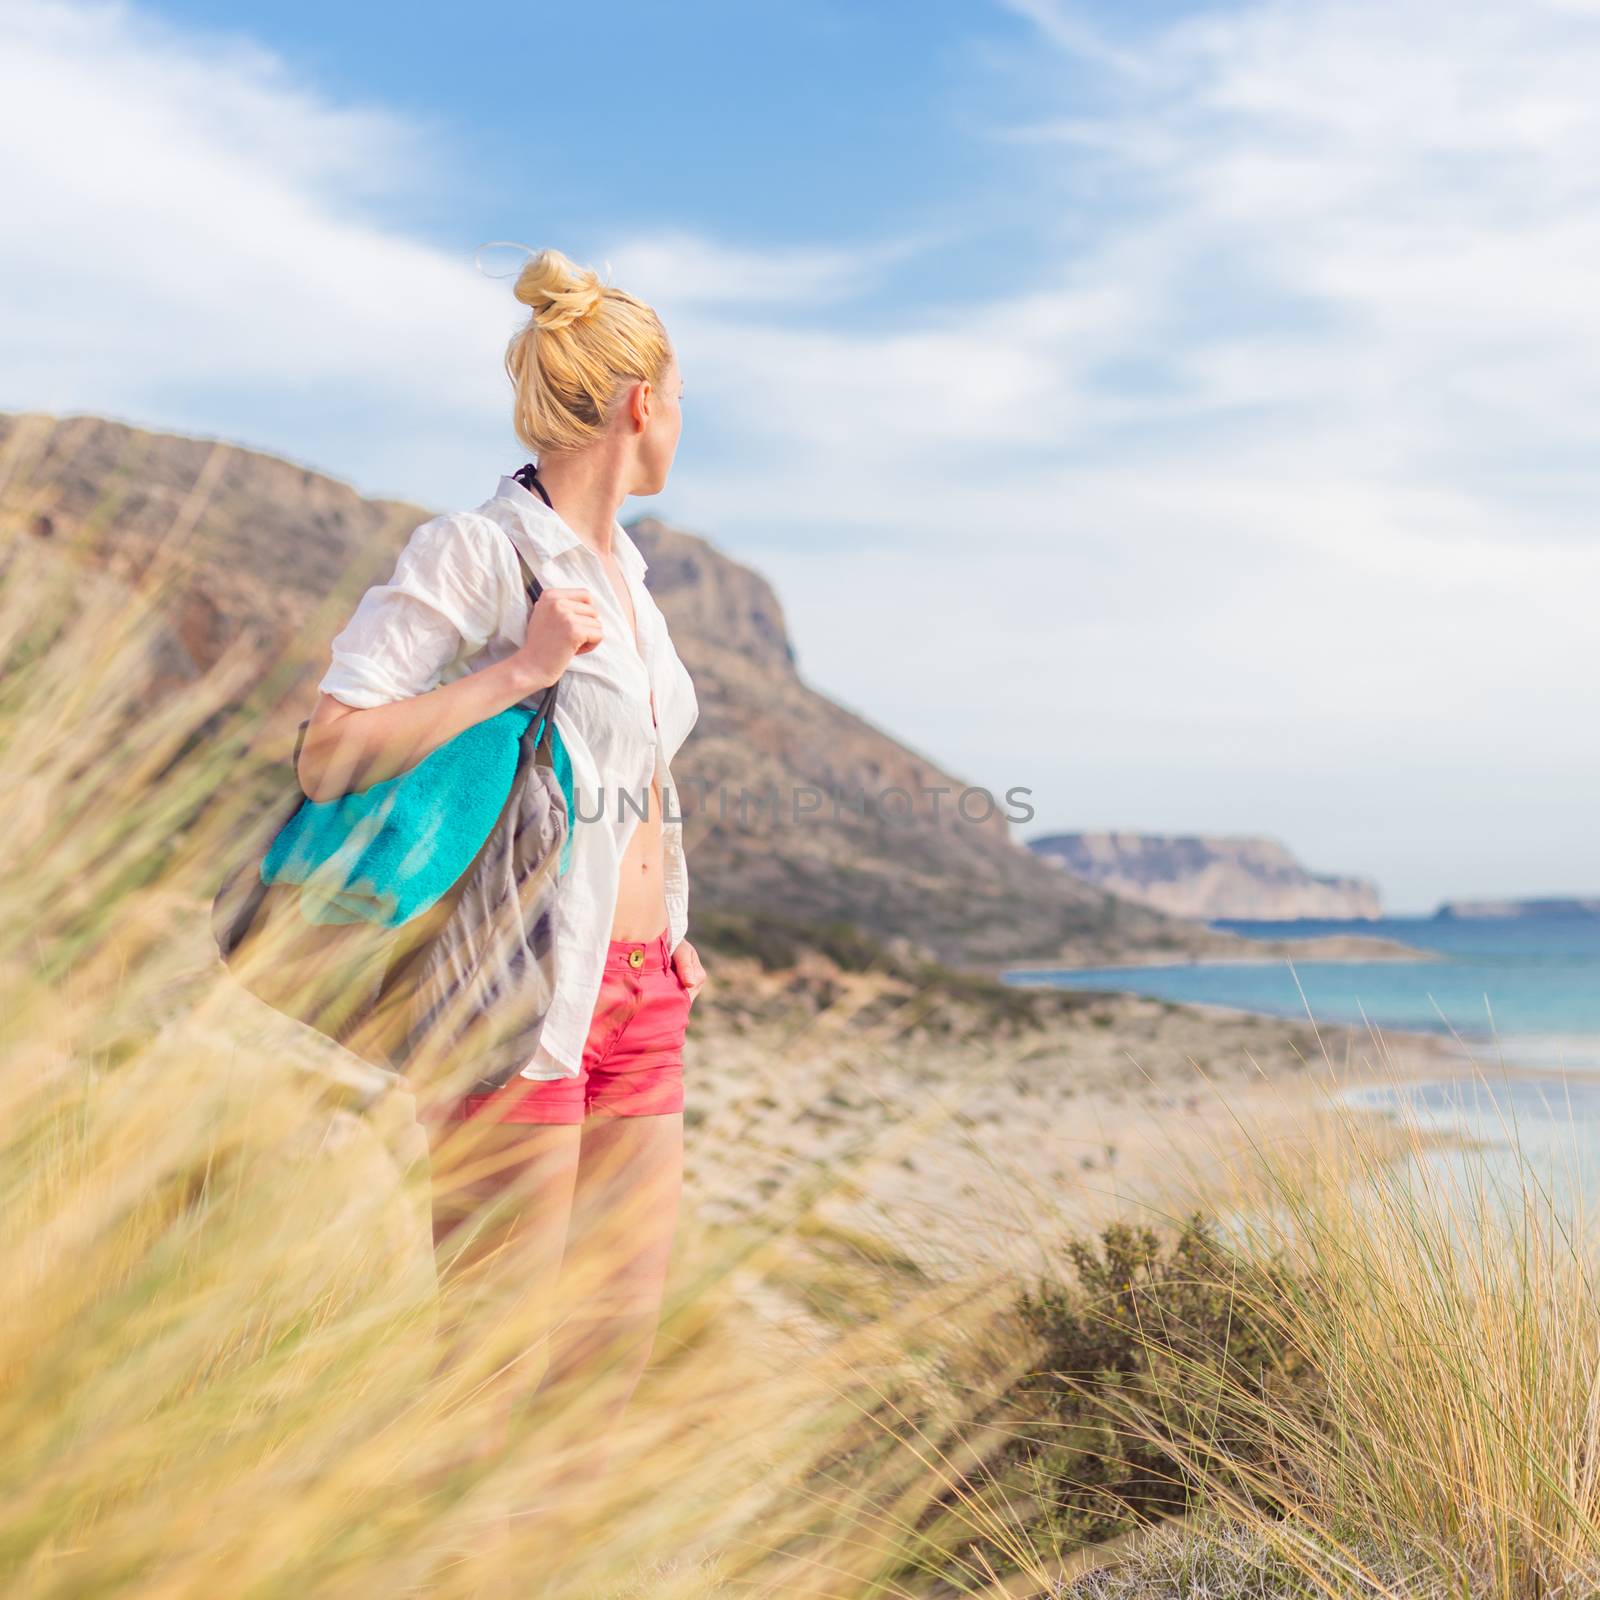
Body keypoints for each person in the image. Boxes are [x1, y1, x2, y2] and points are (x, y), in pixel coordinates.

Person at [293, 246, 704, 1535]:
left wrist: (674, 931)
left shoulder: (632, 577)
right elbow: (327, 751)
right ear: (643, 402)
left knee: (601, 1371)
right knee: (488, 1368)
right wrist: (518, 671)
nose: (683, 424)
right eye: (682, 399)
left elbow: (632, 771)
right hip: (510, 997)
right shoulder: (478, 551)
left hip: (641, 997)